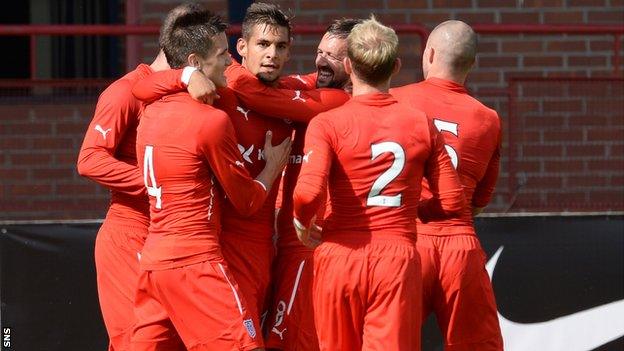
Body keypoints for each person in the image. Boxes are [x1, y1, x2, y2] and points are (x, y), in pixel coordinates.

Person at [130, 5, 350, 345]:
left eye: (280, 46)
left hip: (264, 248)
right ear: (241, 48)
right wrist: (186, 76)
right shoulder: (218, 86)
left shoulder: (289, 94)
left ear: (290, 50)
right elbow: (141, 88)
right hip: (220, 248)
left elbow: (330, 93)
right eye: (262, 44)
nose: (271, 55)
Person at [292, 17, 465, 351]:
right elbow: (453, 201)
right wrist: (413, 208)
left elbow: (308, 193)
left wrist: (302, 221)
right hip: (396, 258)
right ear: (396, 66)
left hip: (339, 256)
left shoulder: (327, 123)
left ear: (347, 64)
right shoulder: (419, 122)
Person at [75, 4, 200, 350]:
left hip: (169, 236)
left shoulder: (184, 92)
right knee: (137, 342)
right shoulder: (126, 90)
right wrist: (157, 182)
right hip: (129, 232)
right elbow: (89, 159)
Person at [390, 20, 504, 351]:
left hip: (405, 242)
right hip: (459, 246)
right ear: (471, 64)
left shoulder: (395, 100)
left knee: (388, 342)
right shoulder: (489, 119)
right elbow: (480, 201)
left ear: (430, 54)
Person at [262, 18, 362, 351]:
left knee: (290, 340)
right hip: (293, 246)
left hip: (311, 248)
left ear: (351, 63)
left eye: (331, 56)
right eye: (319, 51)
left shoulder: (339, 103)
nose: (320, 60)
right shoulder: (320, 88)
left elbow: (263, 94)